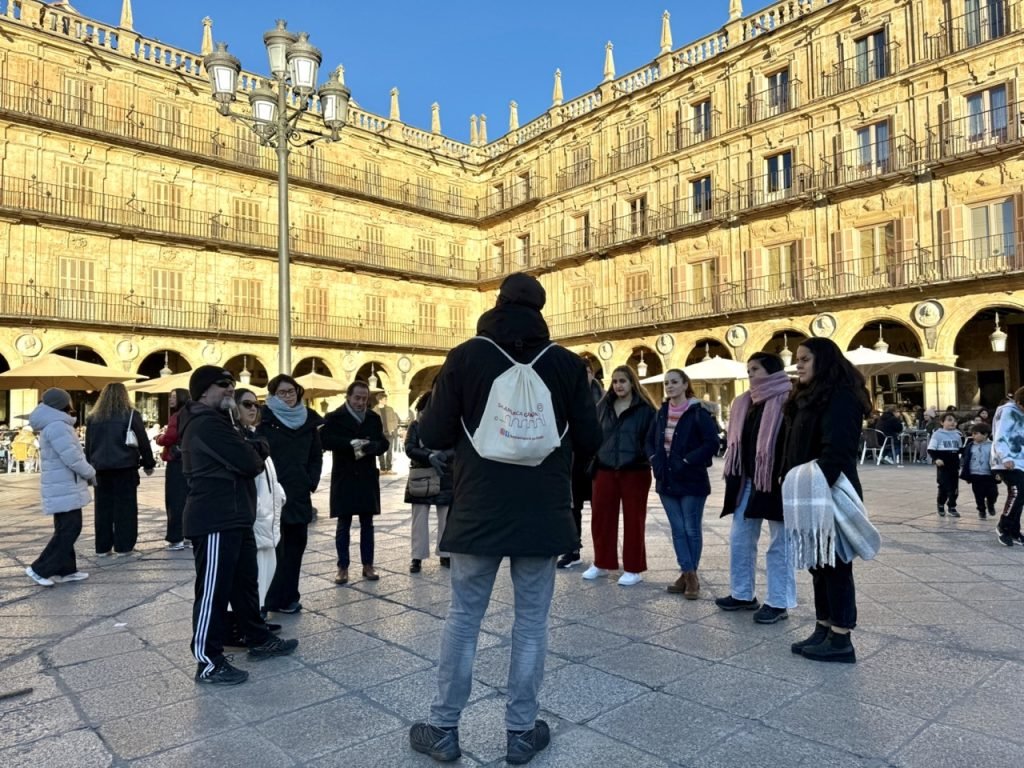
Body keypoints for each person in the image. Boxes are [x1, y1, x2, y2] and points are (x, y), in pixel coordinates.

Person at [408, 273, 601, 765]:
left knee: (463, 619)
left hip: (478, 509)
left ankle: (444, 728)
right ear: (540, 309)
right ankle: (521, 731)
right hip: (542, 512)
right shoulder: (565, 363)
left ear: (497, 303)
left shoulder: (467, 356)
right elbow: (591, 439)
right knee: (531, 623)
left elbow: (433, 433)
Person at [179, 365, 297, 686]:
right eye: (223, 384)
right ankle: (208, 662)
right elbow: (250, 462)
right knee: (213, 591)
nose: (230, 388)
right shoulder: (205, 423)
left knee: (245, 585)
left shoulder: (222, 422)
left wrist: (251, 447)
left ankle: (257, 638)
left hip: (235, 516)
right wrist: (254, 448)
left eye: (231, 383)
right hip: (215, 518)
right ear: (204, 390)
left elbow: (250, 453)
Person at [782, 338, 871, 664]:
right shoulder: (808, 395)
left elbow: (838, 451)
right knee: (818, 563)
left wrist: (813, 485)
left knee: (835, 564)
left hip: (827, 490)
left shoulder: (842, 396)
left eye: (805, 359)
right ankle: (824, 627)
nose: (798, 365)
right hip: (808, 491)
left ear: (824, 360)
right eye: (798, 359)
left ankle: (841, 638)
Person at [716, 353, 796, 623]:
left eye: (755, 369)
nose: (750, 373)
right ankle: (742, 594)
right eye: (748, 369)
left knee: (780, 543)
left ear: (772, 371)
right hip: (747, 480)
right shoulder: (744, 402)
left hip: (777, 481)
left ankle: (778, 602)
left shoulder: (789, 400)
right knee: (740, 538)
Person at [645, 368, 720, 599]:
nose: (669, 386)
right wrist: (654, 459)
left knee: (691, 529)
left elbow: (712, 443)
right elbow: (648, 441)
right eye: (667, 383)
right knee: (678, 529)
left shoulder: (698, 412)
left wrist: (687, 460)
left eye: (674, 382)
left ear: (685, 384)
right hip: (666, 479)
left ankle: (690, 577)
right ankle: (689, 574)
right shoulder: (661, 412)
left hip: (691, 479)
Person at [583, 365, 657, 586]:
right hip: (605, 469)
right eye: (615, 381)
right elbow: (593, 434)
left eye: (622, 381)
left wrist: (644, 456)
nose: (618, 385)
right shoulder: (602, 407)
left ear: (632, 382)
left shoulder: (645, 409)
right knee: (601, 519)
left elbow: (651, 439)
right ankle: (601, 562)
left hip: (635, 470)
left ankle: (634, 568)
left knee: (634, 520)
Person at [259, 374, 323, 615]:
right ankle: (268, 599)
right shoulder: (264, 420)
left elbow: (316, 455)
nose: (288, 396)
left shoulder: (308, 421)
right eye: (282, 392)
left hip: (299, 492)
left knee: (296, 546)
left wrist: (310, 481)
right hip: (273, 493)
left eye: (291, 391)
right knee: (274, 548)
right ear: (273, 395)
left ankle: (288, 597)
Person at [320, 380, 390, 584]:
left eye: (364, 399)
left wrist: (372, 446)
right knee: (344, 523)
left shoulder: (373, 418)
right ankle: (342, 567)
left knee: (368, 523)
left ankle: (368, 565)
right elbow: (324, 440)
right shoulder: (334, 417)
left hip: (366, 476)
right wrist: (349, 443)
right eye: (357, 398)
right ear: (348, 397)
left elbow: (383, 443)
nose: (360, 402)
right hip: (345, 476)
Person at [25, 388, 96, 587]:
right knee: (70, 528)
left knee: (65, 527)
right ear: (62, 404)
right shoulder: (58, 426)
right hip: (64, 484)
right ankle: (40, 569)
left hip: (61, 484)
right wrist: (90, 472)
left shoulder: (53, 424)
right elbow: (72, 457)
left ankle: (66, 570)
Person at [85, 382, 155, 556]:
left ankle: (102, 547)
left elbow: (89, 446)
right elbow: (143, 441)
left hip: (100, 469)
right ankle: (124, 546)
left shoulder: (93, 418)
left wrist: (88, 468)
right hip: (125, 467)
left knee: (102, 509)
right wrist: (148, 463)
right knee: (125, 508)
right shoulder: (130, 415)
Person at [235, 388, 286, 612]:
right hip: (255, 517)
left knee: (267, 568)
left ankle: (259, 614)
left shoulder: (254, 436)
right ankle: (249, 618)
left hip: (268, 518)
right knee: (252, 572)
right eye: (247, 404)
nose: (253, 409)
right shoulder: (238, 439)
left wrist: (279, 494)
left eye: (256, 405)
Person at [557, 357, 603, 569]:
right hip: (574, 460)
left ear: (592, 373)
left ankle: (602, 554)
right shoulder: (568, 398)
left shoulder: (604, 399)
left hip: (597, 461)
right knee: (572, 508)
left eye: (586, 373)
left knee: (599, 508)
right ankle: (572, 550)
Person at [404, 392, 453, 573]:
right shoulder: (415, 425)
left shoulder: (448, 424)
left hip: (444, 474)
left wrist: (443, 455)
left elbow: (456, 446)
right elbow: (409, 448)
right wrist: (429, 456)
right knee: (419, 518)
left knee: (446, 517)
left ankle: (446, 554)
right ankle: (417, 557)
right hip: (421, 475)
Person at [155, 388, 190, 550]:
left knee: (175, 500)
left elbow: (170, 437)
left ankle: (176, 538)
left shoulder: (177, 416)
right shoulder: (192, 414)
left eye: (174, 396)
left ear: (181, 398)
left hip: (176, 461)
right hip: (191, 460)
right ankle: (189, 535)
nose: (170, 399)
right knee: (189, 499)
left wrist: (159, 438)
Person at [991, 388, 1024, 547]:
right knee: (1017, 491)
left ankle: (1014, 530)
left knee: (1022, 494)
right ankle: (1003, 526)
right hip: (1005, 460)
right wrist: (1005, 456)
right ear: (1018, 402)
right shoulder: (1008, 412)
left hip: (1020, 460)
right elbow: (1001, 435)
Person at [928, 412, 963, 518]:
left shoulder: (958, 435)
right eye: (949, 420)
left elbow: (960, 449)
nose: (953, 423)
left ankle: (952, 506)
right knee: (943, 486)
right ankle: (940, 504)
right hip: (943, 465)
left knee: (954, 488)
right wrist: (936, 459)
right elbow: (931, 449)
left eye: (955, 421)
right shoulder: (937, 434)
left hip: (954, 465)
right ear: (942, 422)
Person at [960, 422, 998, 519]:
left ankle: (990, 504)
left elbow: (997, 459)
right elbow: (966, 459)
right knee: (978, 494)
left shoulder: (993, 445)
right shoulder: (970, 446)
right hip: (975, 473)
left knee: (993, 493)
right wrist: (966, 474)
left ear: (985, 435)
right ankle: (981, 510)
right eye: (972, 433)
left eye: (976, 434)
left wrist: (999, 473)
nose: (973, 436)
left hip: (989, 474)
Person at [375, 393, 401, 474]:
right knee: (380, 452)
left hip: (389, 433)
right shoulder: (374, 411)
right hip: (379, 434)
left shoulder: (390, 409)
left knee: (389, 451)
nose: (386, 401)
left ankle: (389, 468)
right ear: (380, 400)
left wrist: (392, 428)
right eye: (385, 399)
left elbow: (395, 420)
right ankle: (382, 469)